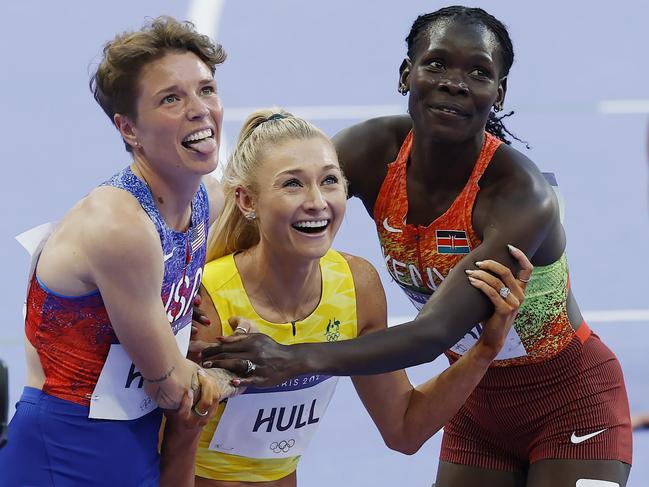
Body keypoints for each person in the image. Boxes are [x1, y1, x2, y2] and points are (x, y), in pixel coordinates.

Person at [202, 6, 632, 486]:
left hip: (570, 402)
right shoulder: (371, 151)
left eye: (479, 72)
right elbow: (280, 194)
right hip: (474, 403)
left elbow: (433, 335)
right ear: (407, 74)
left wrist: (294, 356)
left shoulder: (518, 196)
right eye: (436, 63)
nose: (454, 81)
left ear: (500, 92)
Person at [191, 108, 531, 486]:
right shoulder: (207, 299)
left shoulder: (355, 286)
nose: (317, 201)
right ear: (246, 201)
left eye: (330, 181)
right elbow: (159, 440)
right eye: (292, 184)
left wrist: (485, 349)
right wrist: (219, 384)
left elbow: (404, 427)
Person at [0, 17, 239, 487]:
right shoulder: (119, 225)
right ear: (128, 128)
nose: (200, 110)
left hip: (137, 437)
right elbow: (171, 385)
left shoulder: (206, 198)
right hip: (65, 448)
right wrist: (258, 367)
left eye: (206, 90)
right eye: (171, 98)